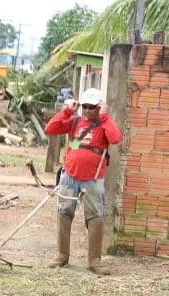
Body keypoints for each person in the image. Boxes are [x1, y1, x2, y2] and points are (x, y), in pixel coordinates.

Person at [44, 87, 122, 275]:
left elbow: (116, 138)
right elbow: (50, 128)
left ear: (99, 108)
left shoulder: (103, 125)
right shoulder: (74, 122)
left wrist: (104, 117)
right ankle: (62, 256)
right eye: (84, 106)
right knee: (64, 213)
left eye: (91, 107)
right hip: (69, 176)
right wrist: (67, 110)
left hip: (92, 181)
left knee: (95, 217)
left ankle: (94, 261)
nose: (87, 111)